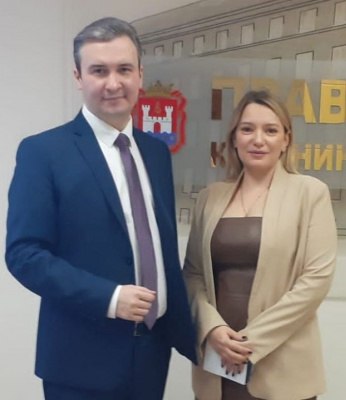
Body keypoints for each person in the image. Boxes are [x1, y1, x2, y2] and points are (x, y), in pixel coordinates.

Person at [5, 17, 196, 399]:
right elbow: (24, 255)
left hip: (151, 355)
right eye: (99, 70)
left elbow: (159, 248)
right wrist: (109, 298)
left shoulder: (156, 153)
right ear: (78, 76)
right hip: (80, 362)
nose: (113, 83)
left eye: (124, 69)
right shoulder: (43, 152)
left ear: (140, 74)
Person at [183, 90, 337, 400]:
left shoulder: (310, 193)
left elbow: (316, 280)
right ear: (234, 138)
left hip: (282, 365)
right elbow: (192, 273)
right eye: (247, 129)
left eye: (270, 130)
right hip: (217, 359)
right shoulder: (209, 197)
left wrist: (249, 343)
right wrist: (212, 329)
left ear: (285, 140)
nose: (258, 139)